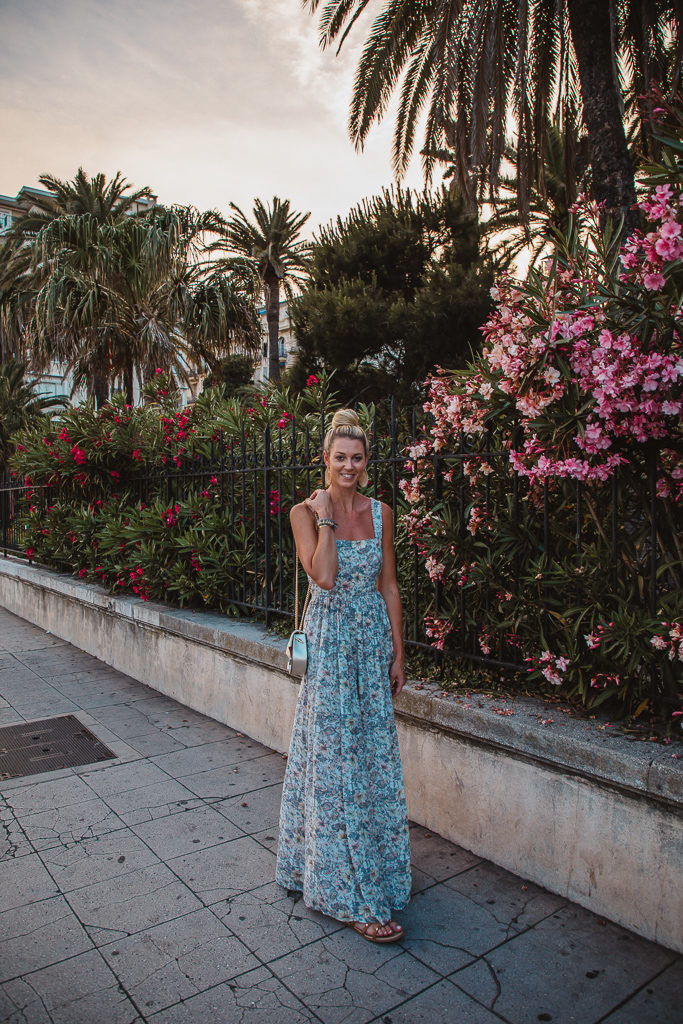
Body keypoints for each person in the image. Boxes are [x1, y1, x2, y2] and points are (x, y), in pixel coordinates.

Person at [276, 408, 412, 943]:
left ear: (366, 460)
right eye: (340, 458)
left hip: (371, 644)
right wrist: (328, 514)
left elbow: (390, 586)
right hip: (331, 647)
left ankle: (374, 871)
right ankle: (347, 892)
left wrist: (399, 655)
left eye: (357, 458)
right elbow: (325, 577)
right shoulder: (304, 513)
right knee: (336, 764)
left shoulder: (382, 512)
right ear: (325, 460)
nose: (349, 466)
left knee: (372, 761)